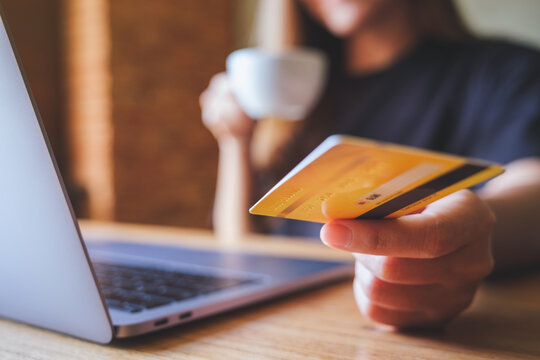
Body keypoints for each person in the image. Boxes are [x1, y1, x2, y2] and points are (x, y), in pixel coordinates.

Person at [199, 0, 540, 328]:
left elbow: (532, 192)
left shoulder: (504, 73)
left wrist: (474, 228)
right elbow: (238, 252)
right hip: (281, 330)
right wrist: (235, 141)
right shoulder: (295, 98)